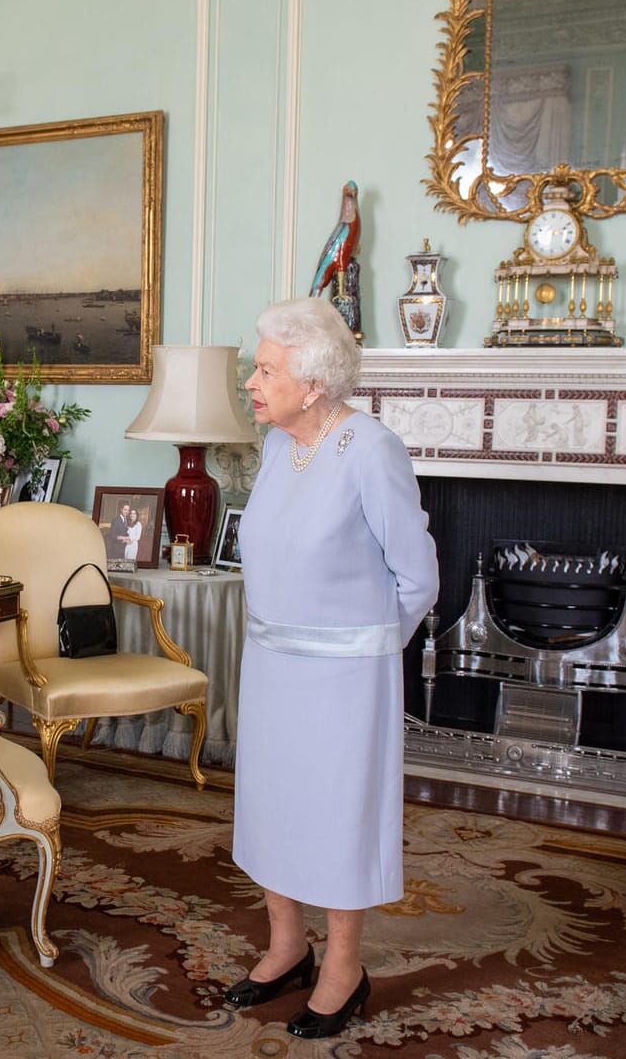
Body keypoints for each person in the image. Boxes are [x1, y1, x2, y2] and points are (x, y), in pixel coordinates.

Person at [224, 297, 439, 1039]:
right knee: (273, 805)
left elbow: (417, 577)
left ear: (312, 384)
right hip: (273, 663)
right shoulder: (282, 444)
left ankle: (344, 965)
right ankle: (287, 945)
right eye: (256, 366)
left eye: (265, 369)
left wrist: (369, 648)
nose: (251, 381)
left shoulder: (371, 449)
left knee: (338, 816)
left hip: (346, 679)